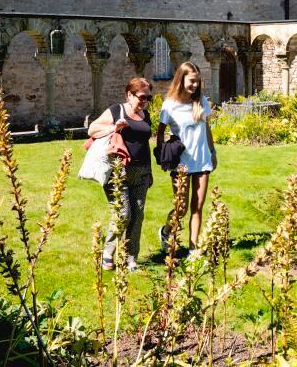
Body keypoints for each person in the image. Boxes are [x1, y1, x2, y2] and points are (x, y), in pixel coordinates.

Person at [86, 77, 154, 272]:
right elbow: (92, 129)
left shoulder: (145, 115)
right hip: (118, 171)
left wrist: (149, 171)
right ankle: (108, 252)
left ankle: (131, 258)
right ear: (129, 95)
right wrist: (114, 128)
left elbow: (144, 144)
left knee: (137, 216)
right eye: (142, 97)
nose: (145, 101)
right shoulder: (117, 111)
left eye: (148, 98)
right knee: (123, 213)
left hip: (141, 172)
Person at [156, 61, 217, 256]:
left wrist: (212, 152)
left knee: (197, 207)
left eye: (197, 81)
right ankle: (166, 231)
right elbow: (160, 132)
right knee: (180, 208)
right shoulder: (169, 105)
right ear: (181, 79)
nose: (195, 85)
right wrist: (162, 154)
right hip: (181, 163)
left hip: (202, 160)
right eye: (192, 81)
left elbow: (206, 129)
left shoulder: (201, 102)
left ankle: (193, 250)